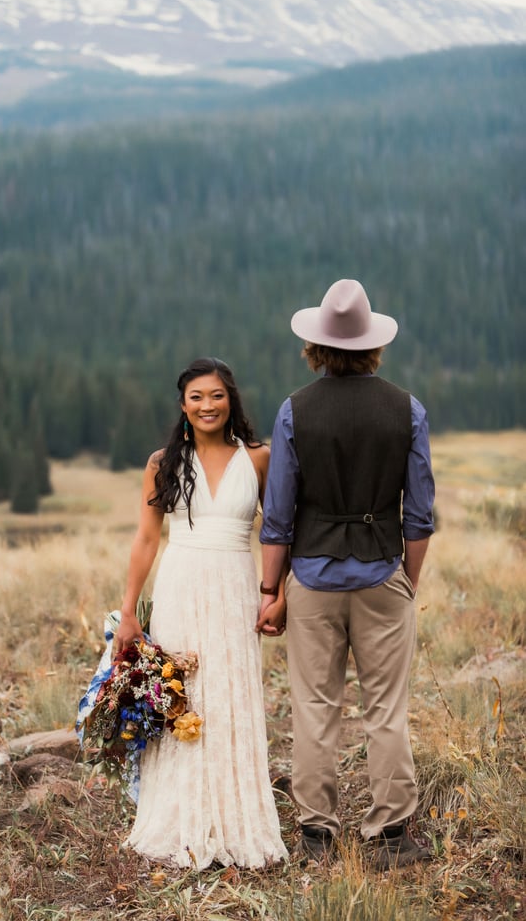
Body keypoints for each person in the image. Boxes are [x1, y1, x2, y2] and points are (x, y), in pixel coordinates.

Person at [256, 279, 435, 871]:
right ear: (372, 345)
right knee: (385, 708)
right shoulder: (406, 408)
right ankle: (388, 837)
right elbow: (420, 512)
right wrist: (406, 578)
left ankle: (316, 834)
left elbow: (278, 514)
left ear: (316, 346)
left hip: (310, 576)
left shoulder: (293, 411)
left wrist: (269, 590)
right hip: (383, 572)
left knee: (313, 706)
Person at [113, 357, 287, 870]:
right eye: (196, 397)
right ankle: (182, 815)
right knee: (180, 693)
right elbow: (147, 539)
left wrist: (276, 592)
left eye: (216, 395)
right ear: (183, 405)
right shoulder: (162, 462)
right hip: (181, 585)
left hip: (236, 585)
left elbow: (281, 530)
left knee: (231, 691)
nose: (207, 405)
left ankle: (236, 817)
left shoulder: (259, 458)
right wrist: (128, 611)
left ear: (230, 399)